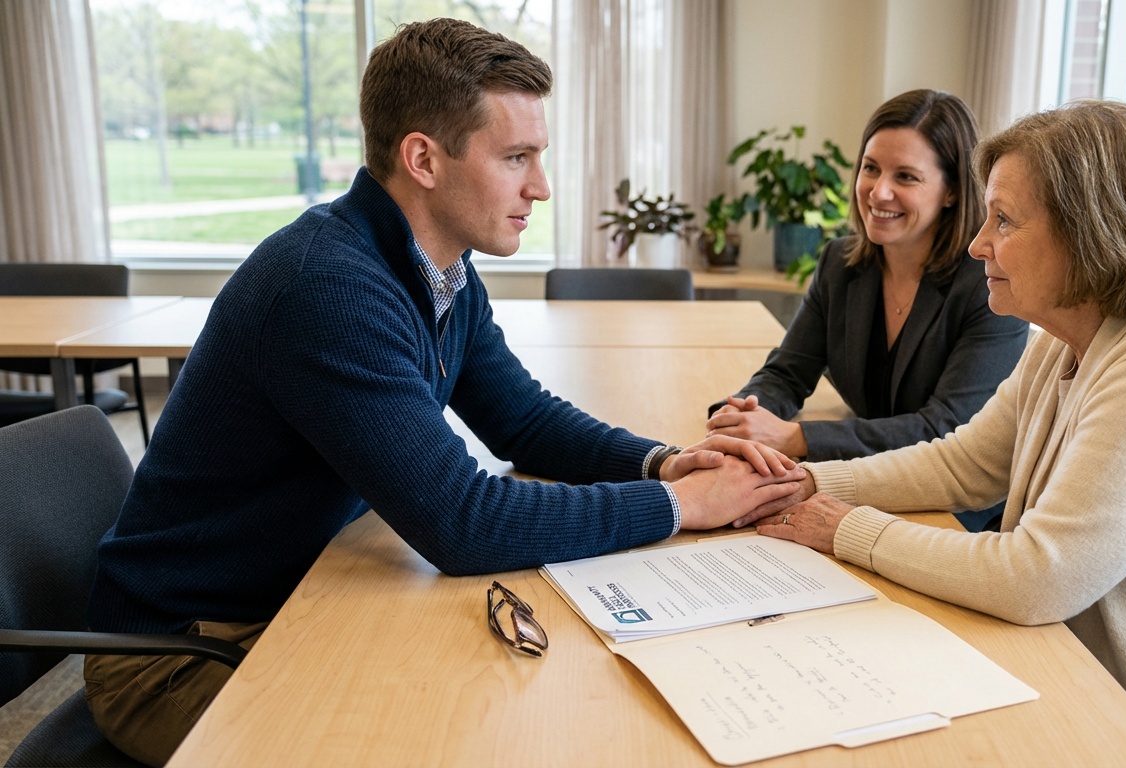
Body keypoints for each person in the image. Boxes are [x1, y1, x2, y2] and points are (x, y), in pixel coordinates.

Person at [83, 19, 803, 766]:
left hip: (304, 593)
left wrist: (660, 464)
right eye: (516, 158)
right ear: (423, 158)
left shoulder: (440, 268)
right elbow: (464, 522)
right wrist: (683, 508)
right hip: (180, 657)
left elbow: (520, 420)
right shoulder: (326, 288)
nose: (541, 187)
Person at [742, 101, 1126, 767]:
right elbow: (964, 466)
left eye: (1003, 221)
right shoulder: (1070, 335)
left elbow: (1036, 578)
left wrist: (844, 529)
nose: (978, 243)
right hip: (1115, 694)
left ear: (1091, 233)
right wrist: (804, 483)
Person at [706, 90, 1026, 531]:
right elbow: (787, 372)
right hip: (860, 483)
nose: (879, 191)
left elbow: (948, 429)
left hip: (947, 507)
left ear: (950, 192)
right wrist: (746, 417)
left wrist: (793, 437)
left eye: (907, 177)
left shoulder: (988, 284)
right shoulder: (840, 264)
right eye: (870, 168)